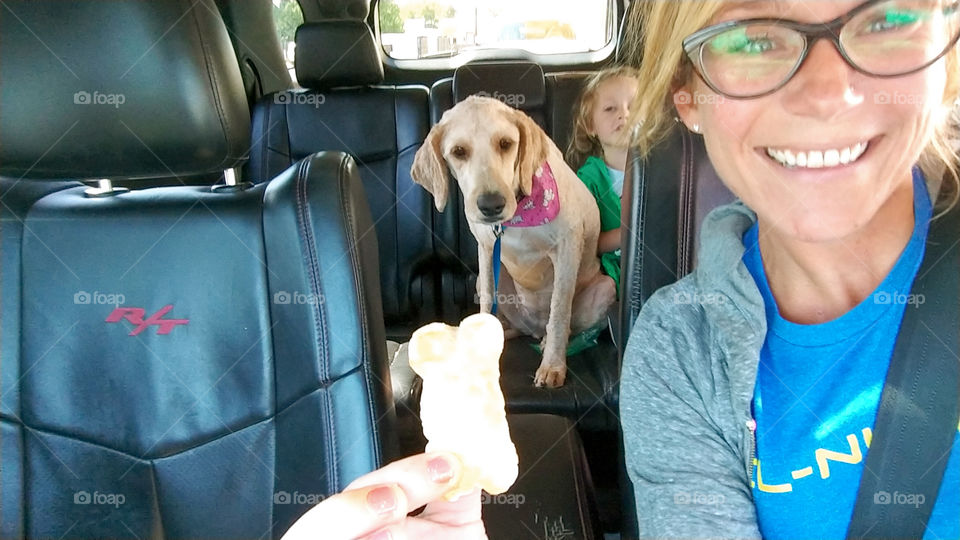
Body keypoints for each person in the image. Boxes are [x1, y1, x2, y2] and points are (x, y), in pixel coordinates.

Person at [284, 1, 960, 538]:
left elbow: (575, 252)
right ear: (687, 98)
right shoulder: (680, 351)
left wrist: (555, 347)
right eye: (753, 37)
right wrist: (486, 324)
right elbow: (487, 247)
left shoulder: (560, 192)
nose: (826, 93)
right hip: (517, 308)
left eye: (889, 17)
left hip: (574, 299)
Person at [567, 66, 641, 294]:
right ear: (591, 126)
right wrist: (626, 235)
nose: (624, 114)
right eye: (610, 109)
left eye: (635, 107)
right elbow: (585, 245)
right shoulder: (588, 181)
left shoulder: (663, 170)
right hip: (609, 275)